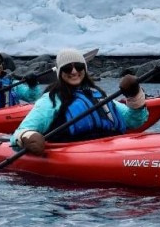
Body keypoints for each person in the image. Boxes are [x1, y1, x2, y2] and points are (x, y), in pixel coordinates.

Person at [10, 49, 147, 155]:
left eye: (79, 67)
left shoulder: (97, 94)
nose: (74, 72)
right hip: (74, 152)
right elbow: (20, 131)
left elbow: (133, 120)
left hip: (111, 148)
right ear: (60, 73)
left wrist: (134, 95)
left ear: (85, 69)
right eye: (68, 68)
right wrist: (27, 136)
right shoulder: (51, 100)